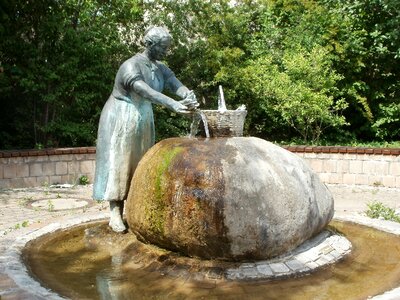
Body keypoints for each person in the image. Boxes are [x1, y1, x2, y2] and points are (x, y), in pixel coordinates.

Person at [93, 26, 198, 232]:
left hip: (143, 116)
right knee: (121, 162)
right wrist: (173, 104)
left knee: (141, 161)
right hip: (122, 117)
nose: (166, 51)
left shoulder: (160, 67)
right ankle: (115, 212)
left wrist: (186, 95)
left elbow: (174, 84)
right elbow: (144, 90)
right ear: (150, 44)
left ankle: (135, 209)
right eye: (163, 47)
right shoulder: (130, 66)